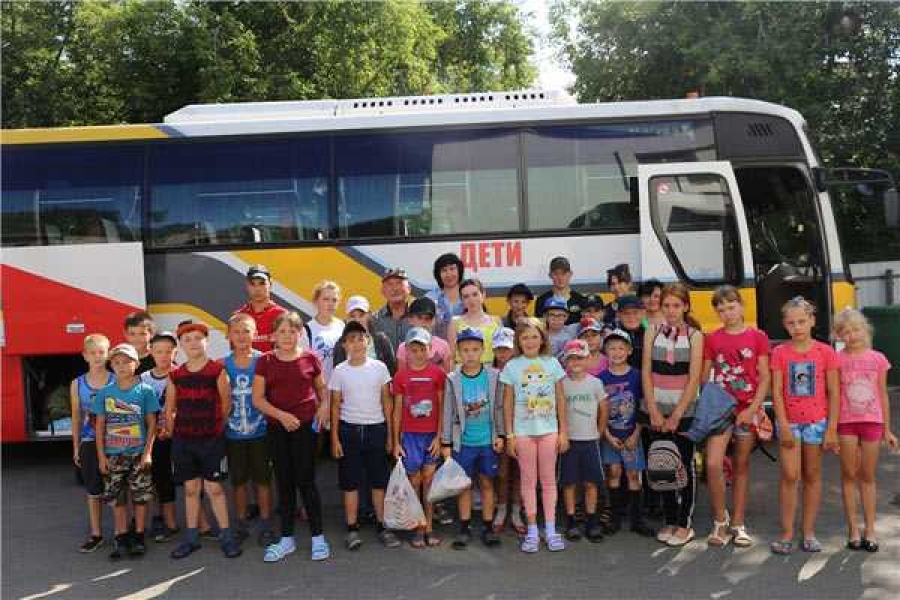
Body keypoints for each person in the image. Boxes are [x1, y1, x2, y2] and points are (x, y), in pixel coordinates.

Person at [252, 312, 331, 562]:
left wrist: (324, 406)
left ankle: (318, 537)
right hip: (278, 430)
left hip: (306, 429)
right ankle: (287, 539)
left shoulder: (310, 358)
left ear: (300, 334)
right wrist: (282, 416)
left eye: (292, 331)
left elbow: (321, 389)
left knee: (306, 482)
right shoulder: (265, 361)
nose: (287, 336)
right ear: (274, 335)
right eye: (282, 331)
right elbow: (258, 399)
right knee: (284, 483)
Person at [165, 321, 242, 559]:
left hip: (211, 441)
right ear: (180, 345)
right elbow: (170, 409)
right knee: (191, 489)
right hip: (183, 441)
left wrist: (215, 429)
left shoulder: (217, 371)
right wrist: (174, 433)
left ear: (207, 341)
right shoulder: (175, 375)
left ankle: (227, 537)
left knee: (214, 489)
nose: (193, 343)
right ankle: (191, 538)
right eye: (187, 340)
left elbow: (226, 404)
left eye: (198, 338)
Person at [769, 297, 840, 555]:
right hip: (789, 423)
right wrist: (783, 424)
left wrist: (831, 429)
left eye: (801, 321)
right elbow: (777, 391)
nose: (797, 327)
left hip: (816, 423)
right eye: (791, 323)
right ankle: (787, 533)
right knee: (790, 476)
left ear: (812, 320)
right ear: (785, 325)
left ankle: (808, 532)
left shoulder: (825, 352)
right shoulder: (780, 352)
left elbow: (834, 391)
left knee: (812, 475)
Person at [701, 286, 770, 548]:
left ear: (741, 306)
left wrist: (753, 410)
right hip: (720, 410)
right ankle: (720, 519)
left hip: (746, 410)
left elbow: (764, 377)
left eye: (731, 307)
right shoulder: (712, 339)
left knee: (741, 465)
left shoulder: (757, 337)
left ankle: (738, 522)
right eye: (721, 310)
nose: (727, 313)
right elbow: (704, 377)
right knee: (713, 464)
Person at [641, 283, 704, 547]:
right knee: (662, 464)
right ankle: (669, 519)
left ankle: (684, 523)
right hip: (655, 409)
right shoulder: (652, 331)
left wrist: (677, 415)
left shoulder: (695, 336)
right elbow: (646, 372)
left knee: (685, 465)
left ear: (686, 306)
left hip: (683, 411)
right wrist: (654, 410)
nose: (671, 310)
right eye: (666, 305)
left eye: (676, 305)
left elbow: (694, 378)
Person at [329, 320, 399, 550]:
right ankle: (352, 528)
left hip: (376, 429)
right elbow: (335, 406)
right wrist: (334, 438)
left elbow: (387, 402)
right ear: (344, 345)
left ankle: (382, 525)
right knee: (350, 482)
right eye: (351, 339)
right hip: (349, 431)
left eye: (361, 338)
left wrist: (390, 436)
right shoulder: (339, 371)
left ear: (368, 341)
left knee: (379, 481)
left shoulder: (379, 368)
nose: (357, 343)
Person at [502, 318, 569, 553]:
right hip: (523, 433)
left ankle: (550, 529)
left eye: (534, 336)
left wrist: (563, 432)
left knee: (548, 481)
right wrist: (509, 435)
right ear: (518, 341)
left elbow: (561, 399)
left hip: (549, 431)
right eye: (525, 337)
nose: (530, 341)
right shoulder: (512, 366)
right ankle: (531, 530)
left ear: (542, 339)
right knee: (528, 481)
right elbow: (508, 403)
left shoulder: (552, 363)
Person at [833, 308, 897, 553]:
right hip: (846, 423)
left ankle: (870, 529)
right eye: (846, 332)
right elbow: (833, 395)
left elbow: (882, 395)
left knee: (868, 477)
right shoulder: (836, 359)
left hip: (872, 422)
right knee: (849, 475)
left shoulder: (878, 359)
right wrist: (832, 430)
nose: (852, 335)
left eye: (856, 329)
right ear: (839, 336)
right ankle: (853, 529)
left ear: (865, 329)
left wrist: (887, 430)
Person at [92, 343, 159, 560]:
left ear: (136, 364)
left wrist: (147, 453)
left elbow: (152, 423)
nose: (121, 366)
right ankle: (120, 536)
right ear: (111, 365)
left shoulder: (145, 391)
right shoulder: (105, 393)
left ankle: (138, 535)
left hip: (138, 453)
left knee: (140, 496)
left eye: (127, 362)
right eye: (117, 362)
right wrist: (101, 456)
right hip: (113, 454)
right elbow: (99, 426)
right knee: (117, 498)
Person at [442, 328, 505, 549]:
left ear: (483, 350)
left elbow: (499, 407)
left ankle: (488, 527)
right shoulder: (453, 379)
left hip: (487, 441)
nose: (470, 354)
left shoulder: (494, 376)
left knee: (487, 483)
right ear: (458, 352)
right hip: (464, 442)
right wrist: (446, 442)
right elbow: (448, 411)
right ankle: (464, 527)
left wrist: (501, 434)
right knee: (464, 485)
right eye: (466, 350)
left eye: (475, 349)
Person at [222, 314, 275, 551]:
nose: (242, 336)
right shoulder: (223, 364)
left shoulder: (264, 361)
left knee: (263, 480)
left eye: (246, 331)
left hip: (260, 431)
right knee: (239, 481)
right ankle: (241, 524)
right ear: (229, 335)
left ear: (255, 334)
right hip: (233, 434)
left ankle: (266, 523)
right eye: (237, 331)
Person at [392, 327, 446, 548]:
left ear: (429, 349)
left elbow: (442, 407)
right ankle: (418, 528)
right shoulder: (400, 376)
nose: (418, 354)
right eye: (413, 350)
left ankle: (429, 527)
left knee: (429, 483)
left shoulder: (437, 374)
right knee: (414, 482)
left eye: (422, 349)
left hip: (431, 436)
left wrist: (439, 437)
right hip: (410, 437)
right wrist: (396, 442)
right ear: (406, 351)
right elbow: (396, 411)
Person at [599, 329, 654, 538]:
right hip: (611, 435)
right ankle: (614, 518)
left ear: (629, 350)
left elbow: (643, 405)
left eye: (621, 348)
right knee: (614, 473)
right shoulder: (601, 378)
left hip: (632, 435)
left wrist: (636, 434)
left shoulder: (637, 376)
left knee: (633, 474)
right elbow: (599, 411)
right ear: (606, 351)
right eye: (612, 348)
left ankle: (637, 520)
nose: (616, 352)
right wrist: (606, 435)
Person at [559, 339, 607, 543]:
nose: (575, 362)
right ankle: (571, 521)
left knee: (590, 483)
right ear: (565, 361)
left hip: (590, 441)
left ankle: (591, 521)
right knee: (569, 482)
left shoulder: (595, 383)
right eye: (571, 359)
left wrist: (599, 432)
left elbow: (604, 409)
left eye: (580, 358)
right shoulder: (561, 383)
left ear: (588, 359)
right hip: (569, 441)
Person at [70, 333, 114, 553]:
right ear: (85, 355)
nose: (97, 357)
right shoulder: (77, 383)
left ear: (108, 354)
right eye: (93, 353)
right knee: (93, 490)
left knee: (117, 488)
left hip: (115, 440)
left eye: (101, 352)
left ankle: (122, 532)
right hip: (89, 440)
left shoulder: (116, 379)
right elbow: (76, 417)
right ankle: (96, 534)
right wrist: (76, 447)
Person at [140, 331, 180, 543]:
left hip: (178, 434)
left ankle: (172, 520)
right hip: (153, 436)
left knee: (176, 478)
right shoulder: (144, 378)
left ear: (175, 352)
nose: (164, 356)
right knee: (157, 477)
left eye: (168, 351)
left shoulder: (181, 374)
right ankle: (158, 518)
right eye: (159, 351)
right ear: (151, 352)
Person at [490, 327, 524, 534]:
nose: (503, 353)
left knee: (520, 473)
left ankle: (517, 511)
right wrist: (497, 433)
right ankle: (501, 509)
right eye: (499, 349)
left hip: (521, 429)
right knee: (501, 473)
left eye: (507, 349)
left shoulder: (522, 370)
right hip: (498, 431)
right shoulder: (489, 373)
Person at [332, 295, 397, 375]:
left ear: (369, 315)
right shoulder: (340, 345)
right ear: (347, 318)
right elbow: (338, 375)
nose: (357, 320)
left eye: (361, 315)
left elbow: (392, 373)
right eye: (352, 316)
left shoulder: (381, 340)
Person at [448, 278, 501, 365]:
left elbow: (501, 353)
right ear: (462, 300)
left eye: (475, 294)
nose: (471, 299)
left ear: (483, 295)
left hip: (490, 370)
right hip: (463, 370)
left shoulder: (496, 321)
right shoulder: (455, 322)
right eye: (466, 296)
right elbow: (451, 357)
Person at [235, 264, 288, 353]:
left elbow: (289, 352)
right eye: (253, 284)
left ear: (270, 284)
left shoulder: (282, 315)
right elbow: (235, 353)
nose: (257, 289)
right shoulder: (238, 316)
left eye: (262, 283)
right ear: (247, 286)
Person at [396, 297, 453, 372]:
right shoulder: (403, 347)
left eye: (428, 318)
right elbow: (401, 375)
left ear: (434, 320)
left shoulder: (443, 346)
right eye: (419, 318)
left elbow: (448, 374)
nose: (424, 323)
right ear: (410, 319)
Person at [307, 280, 345, 384]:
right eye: (326, 299)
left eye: (334, 300)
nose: (330, 304)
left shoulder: (342, 326)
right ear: (316, 301)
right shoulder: (307, 330)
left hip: (340, 390)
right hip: (318, 390)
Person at [535, 256, 589, 325]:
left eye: (564, 273)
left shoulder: (580, 300)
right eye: (556, 274)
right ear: (550, 275)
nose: (560, 278)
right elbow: (540, 327)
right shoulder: (541, 300)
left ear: (570, 274)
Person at [426, 252, 466, 341]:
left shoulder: (468, 294)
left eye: (452, 269)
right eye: (444, 270)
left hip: (466, 347)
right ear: (438, 274)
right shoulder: (430, 297)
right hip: (437, 347)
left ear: (459, 271)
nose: (449, 274)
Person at [371, 267, 412, 351]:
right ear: (382, 291)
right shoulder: (374, 320)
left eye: (399, 283)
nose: (395, 288)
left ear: (409, 288)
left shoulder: (420, 316)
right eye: (389, 284)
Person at [612, 295, 646, 370]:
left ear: (643, 314)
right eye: (626, 313)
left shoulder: (650, 335)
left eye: (635, 312)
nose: (631, 316)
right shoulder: (612, 336)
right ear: (618, 315)